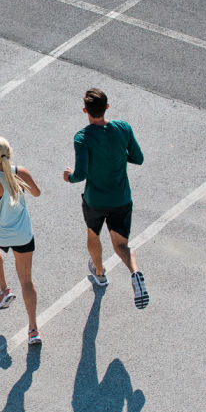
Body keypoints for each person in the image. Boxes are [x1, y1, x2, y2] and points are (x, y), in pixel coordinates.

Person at [62, 88, 149, 309]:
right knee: (122, 245)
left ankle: (99, 274)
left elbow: (80, 174)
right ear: (107, 107)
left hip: (95, 200)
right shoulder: (123, 128)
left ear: (85, 110)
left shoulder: (82, 137)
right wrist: (120, 156)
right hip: (121, 199)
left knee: (93, 234)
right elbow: (138, 158)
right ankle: (135, 272)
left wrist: (69, 177)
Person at [0, 136, 42, 345]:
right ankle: (33, 329)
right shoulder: (20, 172)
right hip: (22, 234)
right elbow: (37, 193)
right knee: (27, 281)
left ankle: (3, 290)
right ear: (9, 152)